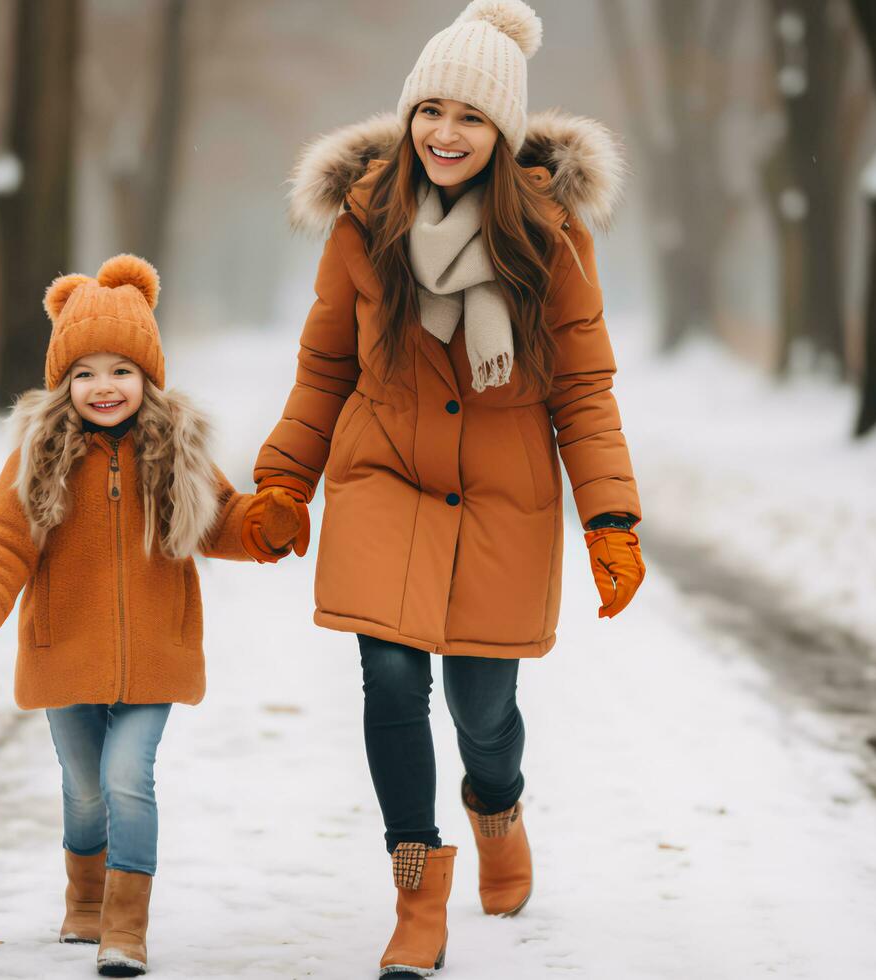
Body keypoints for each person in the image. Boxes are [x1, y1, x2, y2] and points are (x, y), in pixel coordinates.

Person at [254, 2, 646, 975]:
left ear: (502, 132)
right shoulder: (365, 222)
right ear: (407, 115)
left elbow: (584, 390)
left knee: (483, 707)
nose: (444, 132)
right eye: (429, 109)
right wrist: (284, 482)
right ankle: (416, 890)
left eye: (469, 116)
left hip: (504, 492)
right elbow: (322, 369)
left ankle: (498, 800)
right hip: (384, 471)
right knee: (389, 678)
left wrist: (609, 515)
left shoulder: (551, 238)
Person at [0, 254, 306, 977]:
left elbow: (221, 519)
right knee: (86, 787)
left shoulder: (175, 452)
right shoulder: (39, 457)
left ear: (149, 376)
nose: (104, 387)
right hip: (63, 652)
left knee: (129, 777)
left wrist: (266, 526)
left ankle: (126, 928)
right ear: (63, 383)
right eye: (85, 373)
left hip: (154, 656)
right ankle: (86, 898)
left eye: (121, 371)